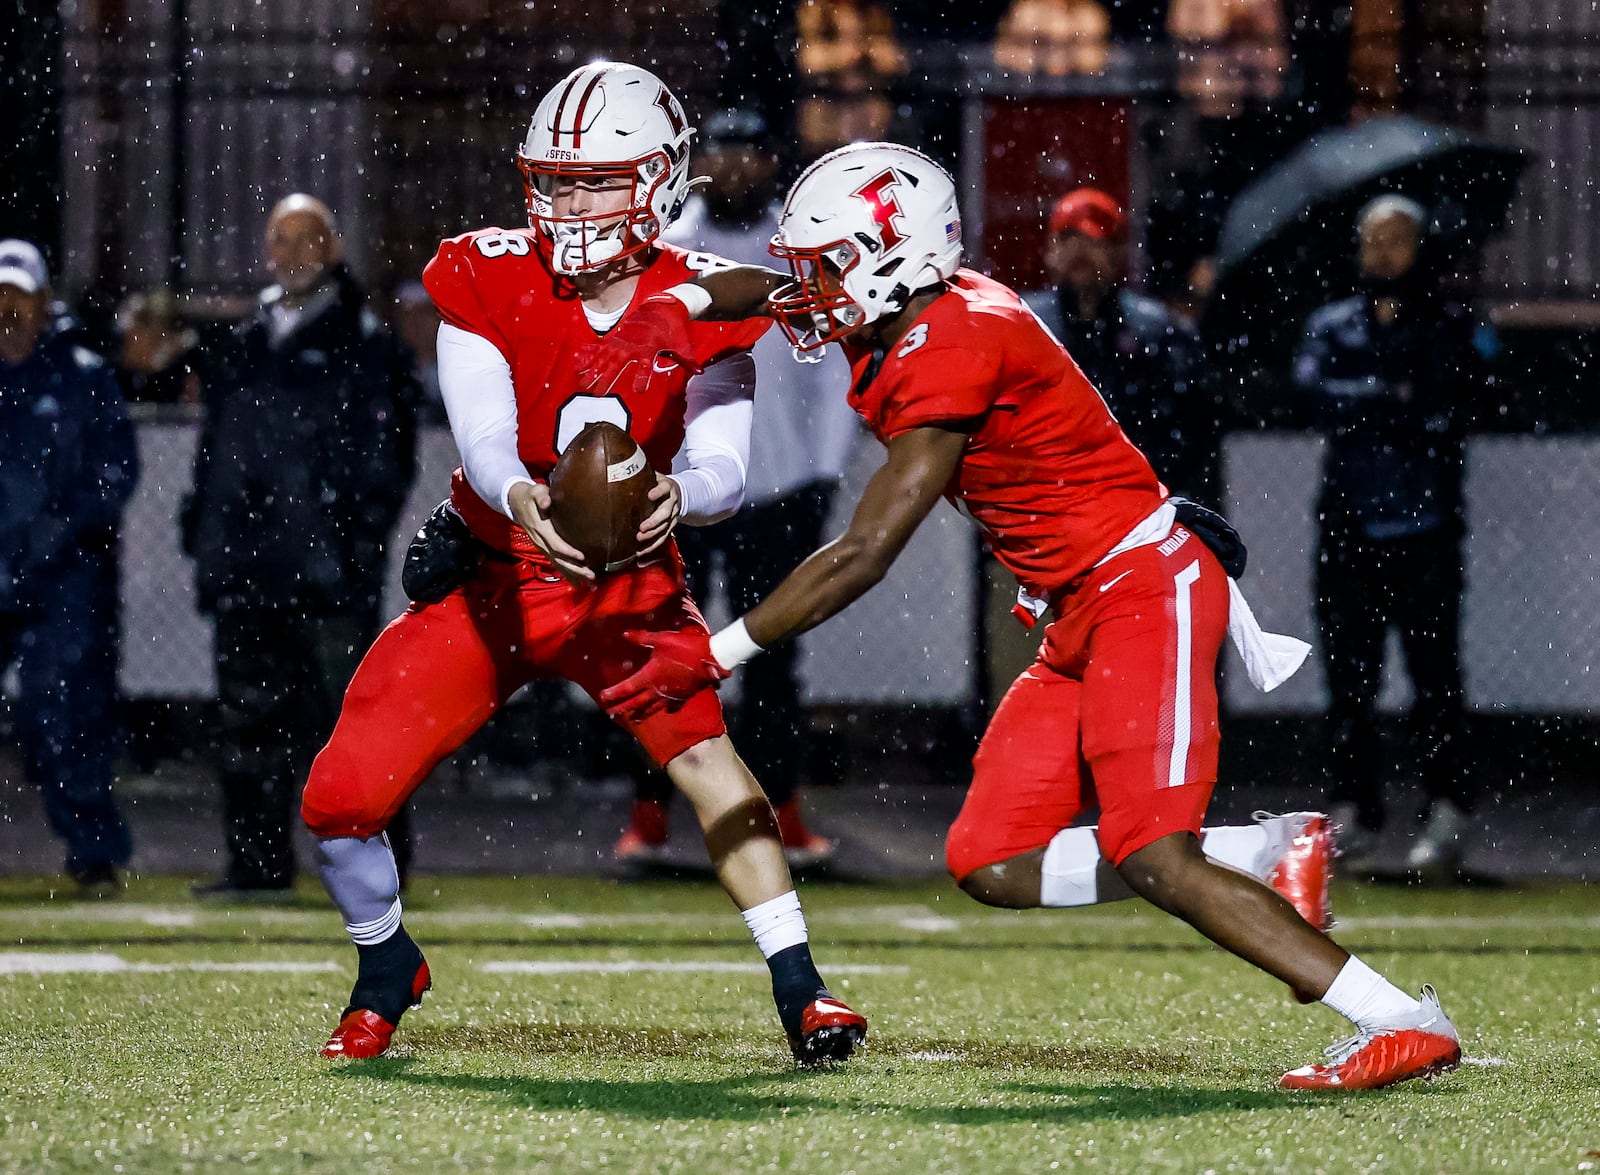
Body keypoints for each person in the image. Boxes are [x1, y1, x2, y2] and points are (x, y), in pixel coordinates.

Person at [586, 142, 1465, 1091]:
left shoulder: (954, 337)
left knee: (1153, 852)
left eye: (828, 262)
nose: (810, 288)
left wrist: (715, 651)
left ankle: (1401, 1018)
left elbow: (864, 550)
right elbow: (762, 287)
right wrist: (661, 301)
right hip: (1080, 610)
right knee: (991, 859)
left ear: (890, 256)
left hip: (1144, 589)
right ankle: (1270, 847)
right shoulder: (910, 304)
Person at [300, 62, 868, 1066]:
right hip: (495, 576)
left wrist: (675, 496)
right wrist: (519, 495)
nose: (570, 201)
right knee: (339, 801)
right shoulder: (488, 270)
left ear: (657, 179)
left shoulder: (701, 295)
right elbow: (479, 426)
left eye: (597, 178)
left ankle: (800, 985)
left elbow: (727, 464)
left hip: (626, 584)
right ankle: (385, 960)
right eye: (555, 179)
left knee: (711, 766)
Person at [614, 108, 858, 867]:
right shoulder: (666, 248)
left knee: (774, 659)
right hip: (676, 489)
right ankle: (648, 816)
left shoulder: (799, 254)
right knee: (656, 650)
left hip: (776, 486)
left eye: (750, 152)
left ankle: (779, 812)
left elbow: (834, 371)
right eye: (722, 152)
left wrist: (822, 473)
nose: (736, 166)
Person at [184, 195, 419, 899]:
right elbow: (216, 455)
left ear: (333, 249)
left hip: (327, 573)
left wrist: (348, 546)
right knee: (248, 723)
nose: (290, 253)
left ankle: (377, 872)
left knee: (350, 729)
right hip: (249, 568)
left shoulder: (368, 343)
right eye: (279, 240)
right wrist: (208, 537)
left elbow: (388, 462)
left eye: (305, 239)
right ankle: (256, 868)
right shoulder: (243, 340)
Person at [1294, 194, 1483, 877]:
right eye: (1374, 238)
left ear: (1421, 248)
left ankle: (1446, 809)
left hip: (1425, 527)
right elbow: (1310, 391)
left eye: (1398, 238)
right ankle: (1354, 809)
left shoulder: (1449, 323)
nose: (1383, 251)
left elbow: (1447, 397)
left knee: (1435, 678)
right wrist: (1388, 394)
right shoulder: (1331, 323)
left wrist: (1371, 398)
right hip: (1350, 527)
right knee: (1350, 679)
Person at [0, 238, 138, 891]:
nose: (8, 309)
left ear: (43, 301)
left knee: (64, 712)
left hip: (63, 578)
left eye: (18, 296)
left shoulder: (83, 376)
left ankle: (94, 850)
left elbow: (115, 473)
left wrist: (58, 531)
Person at [1023, 187, 1221, 507]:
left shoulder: (1159, 331)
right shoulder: (1024, 323)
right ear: (1051, 249)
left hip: (1137, 507)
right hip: (1045, 507)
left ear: (1118, 251)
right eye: (1068, 239)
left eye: (1092, 240)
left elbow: (1194, 434)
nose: (1080, 252)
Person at [114, 288, 200, 405]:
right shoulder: (135, 335)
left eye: (163, 318)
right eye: (153, 318)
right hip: (134, 393)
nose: (157, 323)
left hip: (166, 402)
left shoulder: (177, 343)